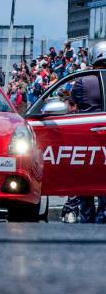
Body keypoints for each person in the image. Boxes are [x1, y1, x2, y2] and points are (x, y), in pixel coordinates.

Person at [64, 41, 106, 223]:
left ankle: (85, 221)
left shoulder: (82, 80)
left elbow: (71, 108)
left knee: (85, 188)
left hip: (87, 137)